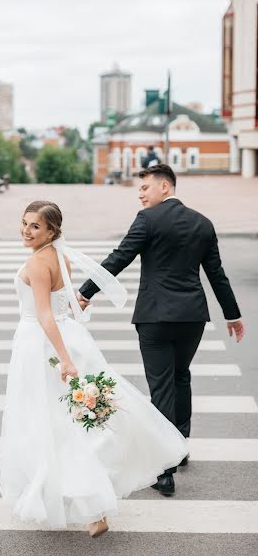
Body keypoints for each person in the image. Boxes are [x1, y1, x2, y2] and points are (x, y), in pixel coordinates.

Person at [0, 200, 188, 536]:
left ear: (52, 231)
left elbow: (44, 315)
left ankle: (89, 505)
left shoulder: (38, 264)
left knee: (49, 422)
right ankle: (88, 505)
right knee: (69, 421)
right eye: (24, 223)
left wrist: (65, 359)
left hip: (43, 345)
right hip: (67, 336)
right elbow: (65, 305)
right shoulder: (59, 257)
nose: (26, 231)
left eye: (35, 227)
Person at [78, 164, 244, 496]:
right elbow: (216, 274)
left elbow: (120, 257)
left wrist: (85, 292)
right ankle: (180, 443)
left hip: (155, 316)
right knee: (181, 376)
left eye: (145, 188)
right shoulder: (203, 223)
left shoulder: (148, 220)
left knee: (162, 386)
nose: (140, 195)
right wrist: (232, 314)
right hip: (192, 317)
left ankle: (164, 470)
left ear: (165, 186)